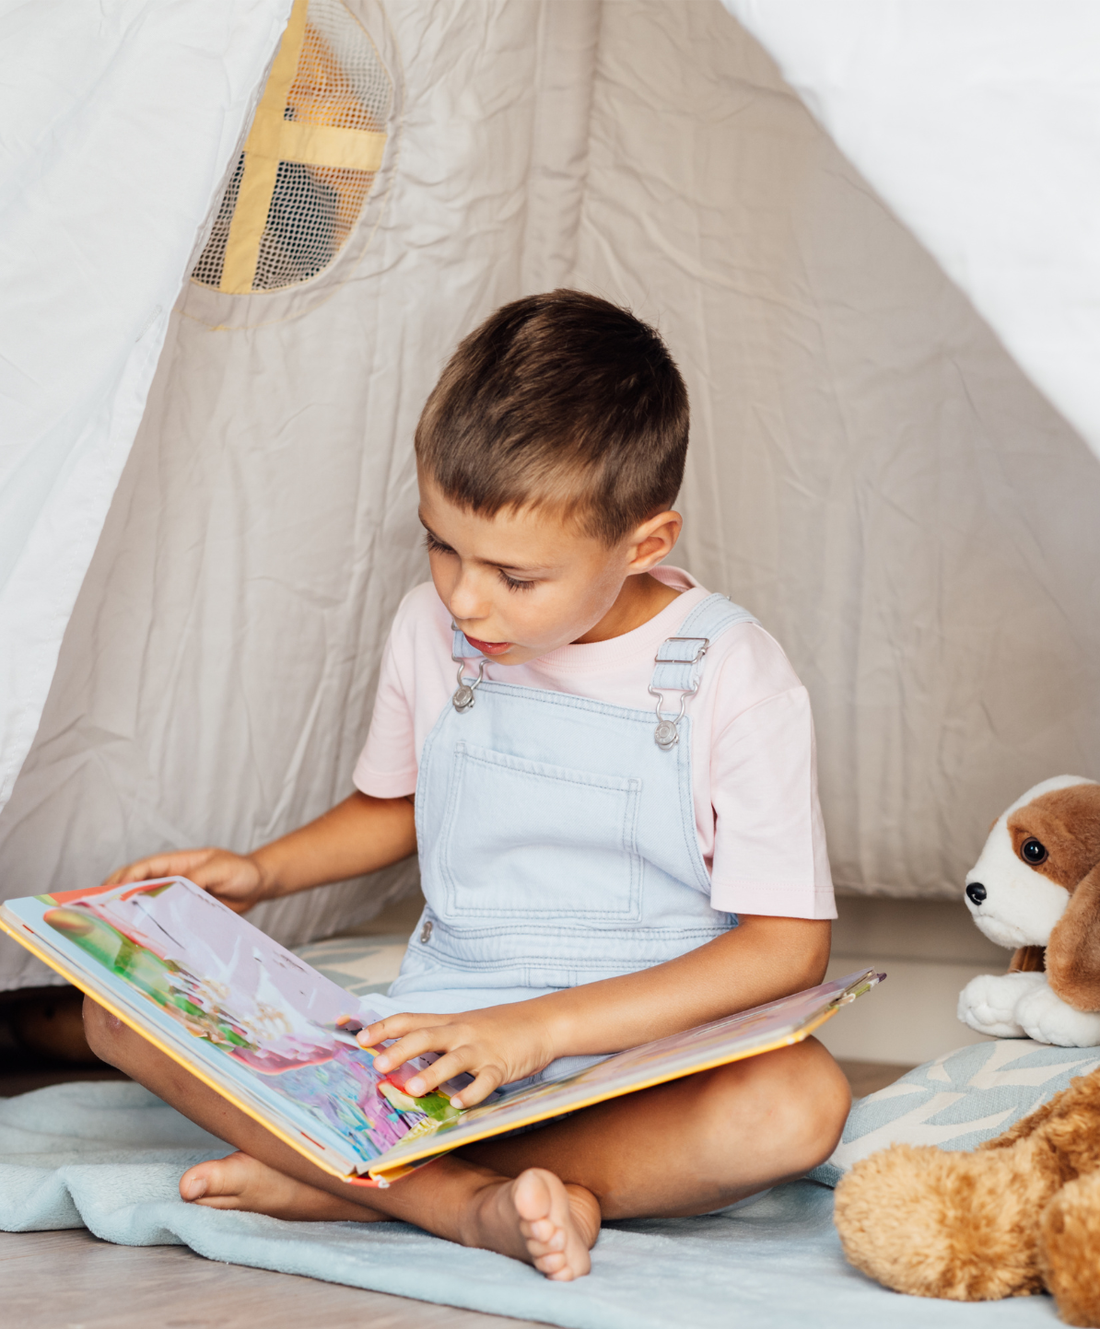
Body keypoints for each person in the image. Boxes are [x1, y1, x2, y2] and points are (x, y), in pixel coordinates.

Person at [87, 290, 849, 1282]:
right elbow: (394, 805)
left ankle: (348, 1180)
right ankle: (457, 1203)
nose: (463, 595)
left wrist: (535, 1032)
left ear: (643, 544)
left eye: (513, 575)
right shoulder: (431, 627)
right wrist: (259, 871)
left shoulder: (731, 675)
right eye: (439, 545)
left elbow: (786, 948)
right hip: (435, 1042)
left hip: (639, 1056)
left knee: (798, 1105)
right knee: (117, 1011)